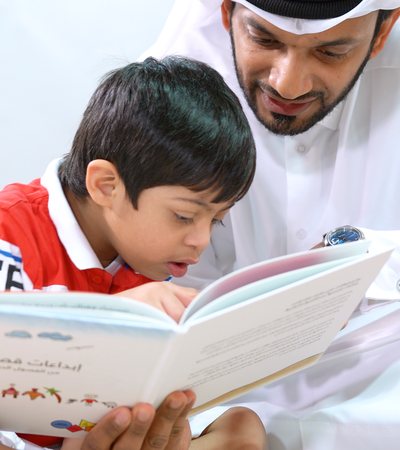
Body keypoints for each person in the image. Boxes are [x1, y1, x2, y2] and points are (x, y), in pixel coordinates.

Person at [139, 0, 400, 448]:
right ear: (225, 12)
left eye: (331, 52)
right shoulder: (173, 77)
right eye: (264, 38)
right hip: (218, 402)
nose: (288, 83)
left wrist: (361, 258)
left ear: (382, 32)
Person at [0, 56, 267, 450]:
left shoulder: (145, 256)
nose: (200, 241)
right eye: (183, 216)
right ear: (106, 186)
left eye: (217, 221)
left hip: (104, 428)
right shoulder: (11, 232)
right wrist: (115, 317)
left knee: (244, 428)